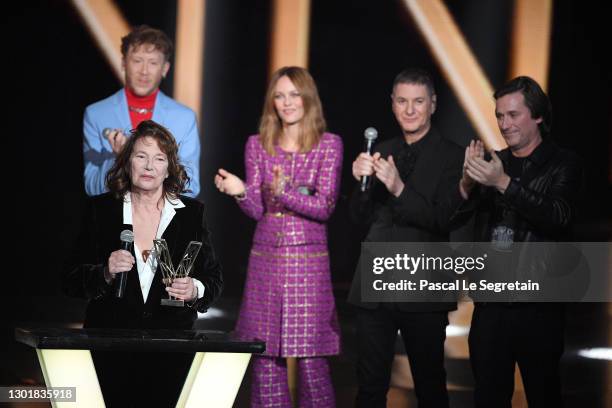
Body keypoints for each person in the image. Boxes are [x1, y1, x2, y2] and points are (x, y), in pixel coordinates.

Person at [64, 120, 222, 407]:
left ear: (169, 168)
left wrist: (194, 289)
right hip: (110, 349)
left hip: (171, 352)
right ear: (127, 163)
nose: (149, 166)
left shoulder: (192, 215)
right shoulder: (101, 210)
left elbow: (213, 280)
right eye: (141, 156)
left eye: (159, 158)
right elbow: (70, 279)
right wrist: (104, 272)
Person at [214, 66, 342, 407]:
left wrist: (284, 193)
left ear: (308, 98)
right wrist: (241, 191)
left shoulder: (328, 145)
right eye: (280, 95)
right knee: (265, 359)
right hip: (266, 263)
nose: (287, 102)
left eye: (294, 94)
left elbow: (325, 206)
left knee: (312, 361)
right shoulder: (257, 144)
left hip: (308, 265)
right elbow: (257, 209)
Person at [458, 76, 583, 407]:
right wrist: (467, 186)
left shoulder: (563, 162)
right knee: (488, 397)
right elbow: (455, 222)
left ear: (538, 115)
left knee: (543, 395)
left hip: (538, 307)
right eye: (500, 116)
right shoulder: (493, 163)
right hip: (491, 308)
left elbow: (559, 215)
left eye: (513, 115)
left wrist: (503, 183)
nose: (504, 124)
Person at [348, 68, 465, 408]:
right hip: (376, 284)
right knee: (369, 386)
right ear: (393, 104)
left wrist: (398, 188)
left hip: (424, 285)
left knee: (429, 385)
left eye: (418, 102)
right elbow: (357, 219)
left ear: (433, 104)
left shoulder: (453, 156)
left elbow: (443, 219)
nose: (409, 110)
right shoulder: (382, 149)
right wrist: (360, 183)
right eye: (402, 101)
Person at [83, 25, 200, 197]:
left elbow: (191, 186)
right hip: (114, 218)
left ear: (165, 69)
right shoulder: (96, 114)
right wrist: (119, 158)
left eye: (153, 63)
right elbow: (92, 188)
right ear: (123, 63)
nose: (144, 71)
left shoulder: (184, 118)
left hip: (163, 219)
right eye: (137, 60)